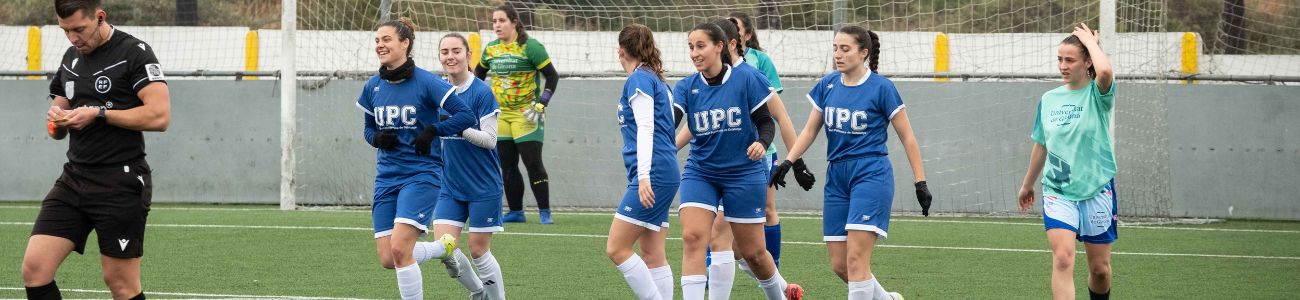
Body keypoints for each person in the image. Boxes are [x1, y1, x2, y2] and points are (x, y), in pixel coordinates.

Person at [773, 25, 933, 300]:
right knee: (840, 264)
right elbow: (810, 130)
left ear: (864, 53)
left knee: (857, 259)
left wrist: (921, 182)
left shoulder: (882, 88)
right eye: (835, 48)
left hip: (870, 174)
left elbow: (907, 137)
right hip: (837, 176)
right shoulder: (828, 85)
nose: (838, 54)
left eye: (845, 49)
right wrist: (789, 162)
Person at [23, 1, 171, 299]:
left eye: (79, 29)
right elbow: (56, 123)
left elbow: (160, 116)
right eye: (65, 31)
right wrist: (57, 121)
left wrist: (100, 113)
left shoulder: (133, 52)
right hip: (74, 179)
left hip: (121, 181)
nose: (74, 38)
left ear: (100, 17)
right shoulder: (70, 58)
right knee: (35, 269)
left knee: (120, 283)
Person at [672, 21, 801, 300]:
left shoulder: (748, 78)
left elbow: (767, 122)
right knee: (694, 237)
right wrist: (654, 141)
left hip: (743, 174)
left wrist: (762, 143)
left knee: (753, 253)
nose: (694, 53)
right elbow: (673, 121)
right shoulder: (686, 87)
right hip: (701, 172)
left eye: (701, 46)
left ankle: (778, 295)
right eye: (691, 47)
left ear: (720, 47)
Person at [356, 17, 476, 300]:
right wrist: (376, 139)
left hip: (422, 174)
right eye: (377, 41)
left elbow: (465, 116)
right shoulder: (372, 86)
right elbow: (367, 128)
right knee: (389, 258)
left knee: (400, 249)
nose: (380, 45)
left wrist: (434, 130)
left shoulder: (427, 82)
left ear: (404, 43)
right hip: (387, 177)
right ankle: (441, 248)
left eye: (386, 40)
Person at [1017, 23, 1117, 300]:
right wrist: (1027, 184)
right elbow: (1041, 144)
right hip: (1058, 191)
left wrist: (1091, 42)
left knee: (1100, 270)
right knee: (1063, 258)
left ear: (1087, 62)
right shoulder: (1049, 99)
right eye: (1060, 59)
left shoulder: (1098, 95)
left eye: (1070, 59)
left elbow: (1105, 71)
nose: (1063, 65)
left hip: (1096, 188)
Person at [603, 24, 679, 300]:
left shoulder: (639, 79)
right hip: (662, 170)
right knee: (653, 253)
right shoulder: (654, 79)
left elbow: (647, 128)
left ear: (621, 50)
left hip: (654, 173)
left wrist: (645, 175)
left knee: (616, 248)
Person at [433, 33, 508, 300]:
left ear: (468, 55)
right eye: (444, 52)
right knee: (445, 249)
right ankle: (478, 292)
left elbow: (489, 140)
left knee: (478, 250)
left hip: (482, 185)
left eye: (456, 51)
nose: (450, 56)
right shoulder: (437, 92)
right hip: (450, 186)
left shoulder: (481, 92)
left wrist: (458, 125)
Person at [475, 3, 561, 224]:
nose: (497, 25)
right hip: (500, 115)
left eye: (501, 20)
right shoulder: (491, 49)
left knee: (533, 163)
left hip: (526, 114)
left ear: (514, 22)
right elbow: (477, 76)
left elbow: (552, 77)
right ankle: (516, 211)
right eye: (494, 21)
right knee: (508, 165)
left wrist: (542, 103)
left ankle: (544, 211)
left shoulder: (531, 47)